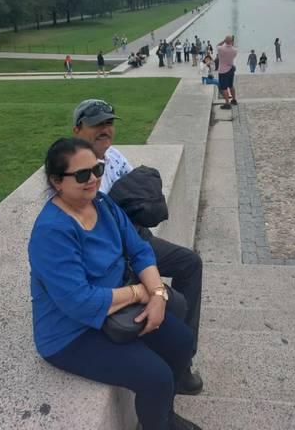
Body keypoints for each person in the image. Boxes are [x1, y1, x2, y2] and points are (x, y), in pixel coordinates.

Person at [28, 138, 200, 430]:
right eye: (82, 175)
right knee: (154, 376)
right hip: (71, 332)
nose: (93, 179)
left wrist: (157, 295)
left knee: (181, 342)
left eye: (97, 169)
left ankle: (163, 415)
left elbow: (140, 249)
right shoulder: (52, 232)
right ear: (57, 182)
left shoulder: (103, 204)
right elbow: (79, 302)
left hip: (117, 306)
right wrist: (141, 292)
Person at [72, 100, 204, 396]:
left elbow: (139, 189)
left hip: (135, 236)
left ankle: (183, 361)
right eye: (97, 124)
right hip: (111, 251)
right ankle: (171, 357)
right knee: (175, 301)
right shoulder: (72, 168)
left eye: (109, 123)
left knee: (190, 264)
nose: (105, 130)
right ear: (77, 129)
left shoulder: (114, 155)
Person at [217, 35, 237, 109]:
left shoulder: (220, 49)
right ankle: (234, 100)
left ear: (225, 41)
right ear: (232, 42)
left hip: (223, 70)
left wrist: (224, 40)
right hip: (231, 69)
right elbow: (232, 47)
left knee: (224, 88)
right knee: (231, 85)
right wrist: (230, 42)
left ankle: (227, 103)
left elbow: (218, 45)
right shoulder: (235, 50)